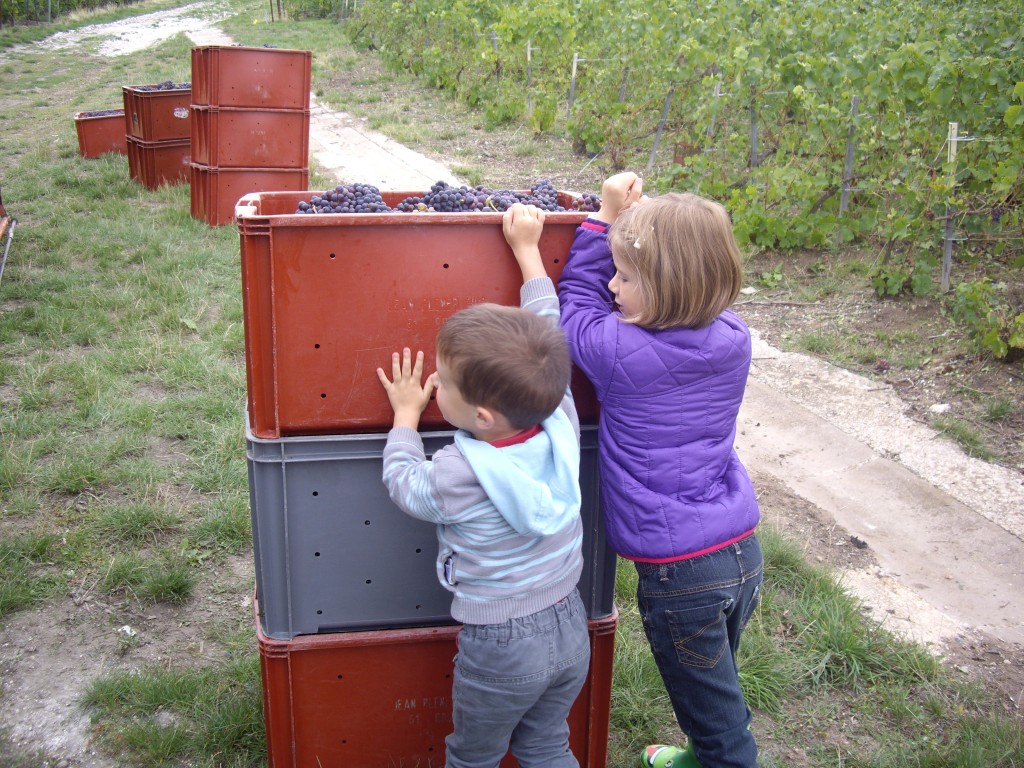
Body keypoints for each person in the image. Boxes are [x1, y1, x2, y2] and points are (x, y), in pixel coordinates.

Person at [556, 172, 763, 768]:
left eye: (625, 275)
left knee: (725, 729)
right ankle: (700, 755)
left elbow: (574, 303)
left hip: (681, 576)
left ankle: (719, 758)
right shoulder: (733, 336)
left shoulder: (620, 354)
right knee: (714, 691)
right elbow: (647, 297)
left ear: (667, 288)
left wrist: (601, 220)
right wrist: (635, 230)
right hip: (740, 551)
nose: (613, 285)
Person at [375, 203, 590, 768]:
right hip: (571, 624)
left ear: (485, 417)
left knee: (474, 756)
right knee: (546, 744)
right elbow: (546, 329)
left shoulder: (461, 472)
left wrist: (403, 419)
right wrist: (527, 251)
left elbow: (406, 487)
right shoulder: (559, 417)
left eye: (443, 384)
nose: (435, 388)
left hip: (501, 647)